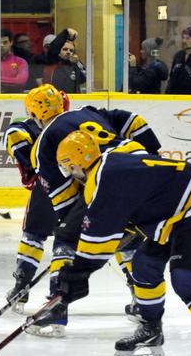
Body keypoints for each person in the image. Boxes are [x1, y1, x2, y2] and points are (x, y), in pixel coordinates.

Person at [47, 130, 191, 356]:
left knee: (188, 280)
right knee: (144, 265)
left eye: (69, 168)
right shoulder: (109, 163)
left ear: (76, 162)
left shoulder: (102, 182)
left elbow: (96, 246)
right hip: (171, 213)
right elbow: (118, 223)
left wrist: (76, 272)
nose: (70, 174)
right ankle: (151, 330)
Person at [21, 84, 161, 336]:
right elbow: (132, 119)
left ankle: (56, 306)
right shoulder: (89, 111)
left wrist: (74, 228)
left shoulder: (43, 144)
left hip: (109, 175)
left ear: (35, 115)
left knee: (65, 238)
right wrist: (154, 150)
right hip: (143, 168)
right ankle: (143, 304)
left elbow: (64, 199)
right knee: (128, 240)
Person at [43, 29, 86, 93]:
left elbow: (85, 78)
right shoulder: (52, 60)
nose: (68, 52)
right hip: (55, 99)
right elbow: (54, 47)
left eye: (71, 50)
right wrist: (66, 32)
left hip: (73, 99)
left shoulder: (75, 65)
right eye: (65, 49)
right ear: (58, 51)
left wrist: (78, 62)